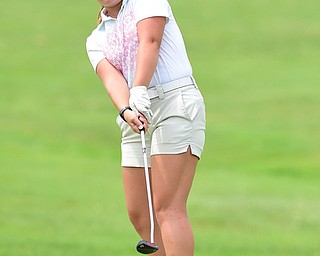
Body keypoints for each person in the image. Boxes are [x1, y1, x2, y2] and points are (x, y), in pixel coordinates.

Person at [86, 0, 206, 255]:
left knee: (167, 207)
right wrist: (126, 109)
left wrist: (139, 87)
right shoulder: (96, 39)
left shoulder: (147, 1)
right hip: (136, 116)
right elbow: (111, 77)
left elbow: (150, 41)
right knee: (141, 214)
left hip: (174, 102)